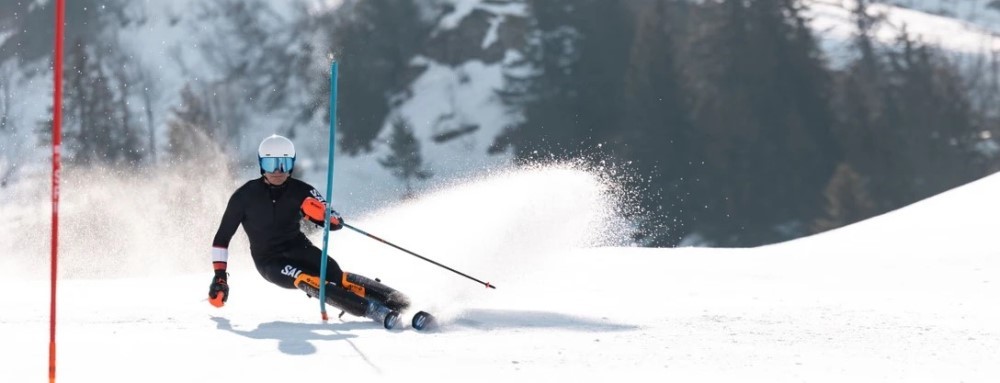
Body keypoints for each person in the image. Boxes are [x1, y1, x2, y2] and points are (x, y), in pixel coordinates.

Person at [207, 134, 406, 328]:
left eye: (283, 164)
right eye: (270, 164)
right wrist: (220, 277)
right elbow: (222, 239)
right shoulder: (244, 197)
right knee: (307, 280)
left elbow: (336, 222)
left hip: (299, 248)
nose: (277, 171)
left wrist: (323, 215)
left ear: (292, 164)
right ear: (261, 165)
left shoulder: (302, 191)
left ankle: (399, 301)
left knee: (337, 275)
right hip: (269, 261)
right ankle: (374, 311)